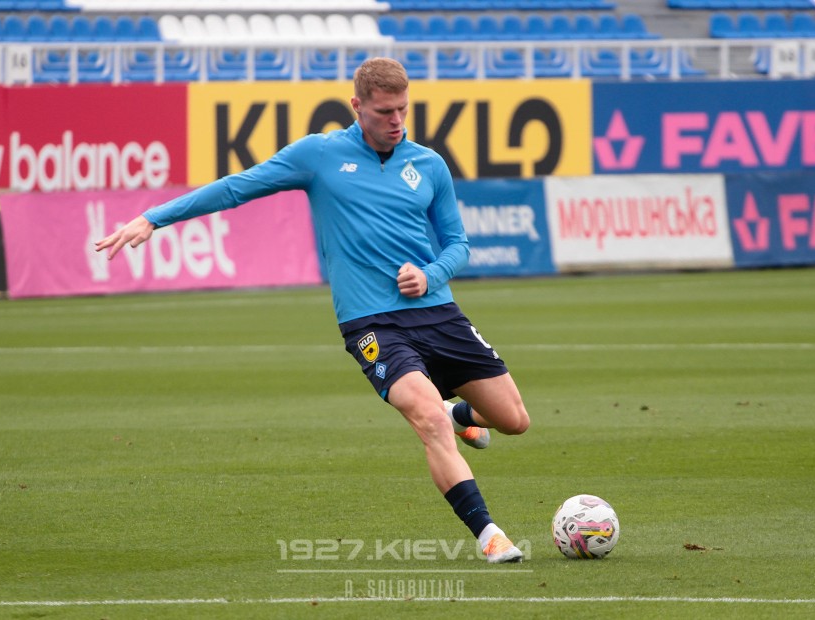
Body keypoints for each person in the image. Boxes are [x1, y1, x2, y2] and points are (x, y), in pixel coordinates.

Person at [95, 57, 530, 563]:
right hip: (371, 322)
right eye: (384, 111)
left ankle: (460, 413)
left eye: (402, 109)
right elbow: (236, 187)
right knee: (428, 419)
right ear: (356, 106)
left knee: (514, 420)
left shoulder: (428, 164)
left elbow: (458, 243)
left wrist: (430, 274)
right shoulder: (319, 155)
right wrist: (153, 217)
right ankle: (489, 534)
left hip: (437, 313)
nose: (396, 121)